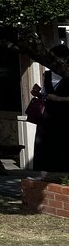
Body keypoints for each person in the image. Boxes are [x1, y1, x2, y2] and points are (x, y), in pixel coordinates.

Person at [32, 43, 69, 175]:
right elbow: (46, 94)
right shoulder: (47, 75)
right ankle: (46, 175)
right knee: (46, 145)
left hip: (65, 115)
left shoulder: (67, 74)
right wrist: (38, 93)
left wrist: (60, 99)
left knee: (63, 144)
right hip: (48, 115)